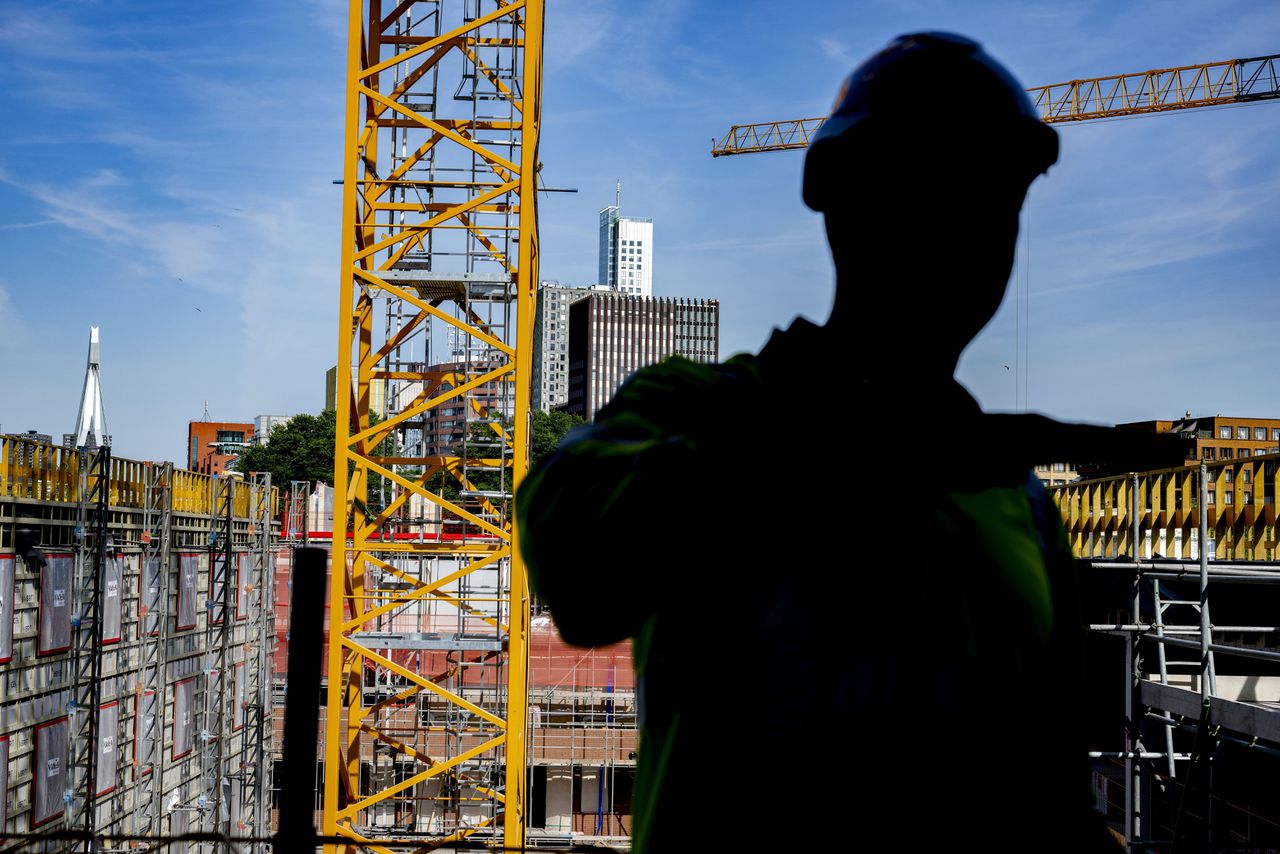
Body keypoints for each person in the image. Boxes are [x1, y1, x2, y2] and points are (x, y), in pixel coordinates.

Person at [517, 32, 1182, 852]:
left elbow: (1044, 803)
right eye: (927, 186)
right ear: (838, 196)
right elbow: (581, 577)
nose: (967, 228)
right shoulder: (689, 414)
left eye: (994, 196)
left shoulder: (1019, 504)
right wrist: (886, 441)